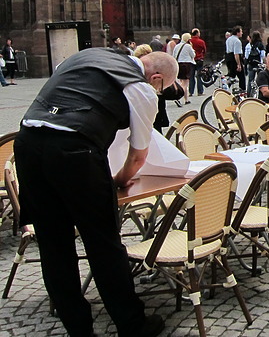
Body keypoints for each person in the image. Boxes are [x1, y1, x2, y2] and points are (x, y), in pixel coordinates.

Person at [14, 48, 177, 337]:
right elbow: (138, 156)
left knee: (54, 245)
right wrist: (119, 180)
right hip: (75, 151)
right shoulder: (141, 88)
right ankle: (132, 324)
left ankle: (78, 329)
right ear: (156, 78)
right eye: (162, 88)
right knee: (103, 243)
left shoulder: (85, 55)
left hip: (28, 142)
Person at [172, 32, 196, 105]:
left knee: (182, 82)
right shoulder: (188, 46)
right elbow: (193, 55)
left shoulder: (177, 46)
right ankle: (177, 97)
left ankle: (186, 100)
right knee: (185, 83)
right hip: (187, 65)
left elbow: (174, 55)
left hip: (179, 64)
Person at [226, 26, 245, 90]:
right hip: (234, 59)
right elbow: (236, 54)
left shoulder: (229, 39)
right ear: (237, 32)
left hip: (228, 57)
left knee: (231, 76)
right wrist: (239, 64)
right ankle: (242, 90)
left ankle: (225, 90)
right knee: (241, 77)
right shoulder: (237, 41)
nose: (242, 33)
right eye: (241, 31)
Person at [188, 28, 206, 97]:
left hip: (192, 60)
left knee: (191, 76)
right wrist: (202, 56)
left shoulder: (189, 41)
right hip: (199, 59)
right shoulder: (201, 41)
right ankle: (200, 91)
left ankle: (191, 92)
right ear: (197, 33)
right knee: (199, 76)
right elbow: (204, 50)